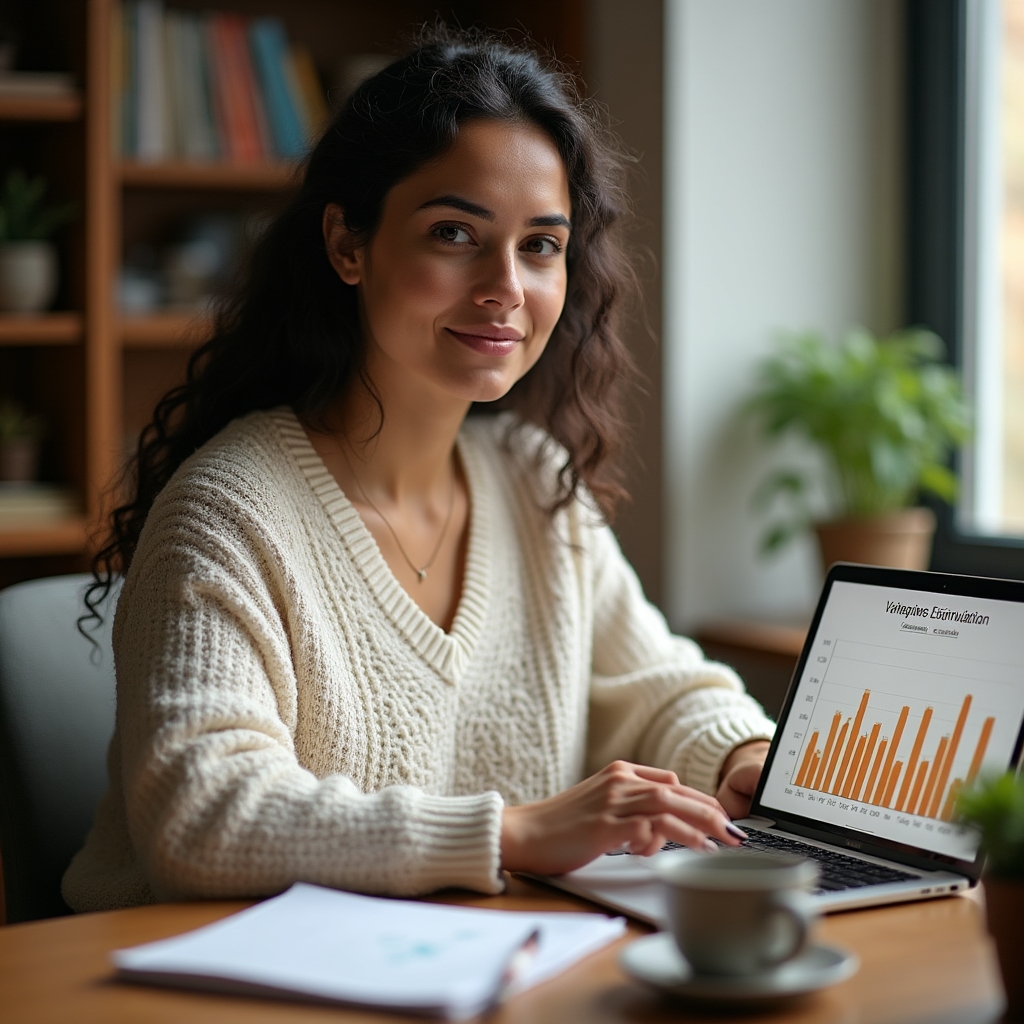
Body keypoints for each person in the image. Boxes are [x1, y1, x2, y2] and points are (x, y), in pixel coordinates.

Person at [63, 26, 775, 912]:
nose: (506, 287)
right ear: (348, 246)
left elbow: (655, 685)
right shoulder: (227, 513)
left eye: (541, 245)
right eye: (454, 233)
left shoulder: (530, 478)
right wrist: (510, 833)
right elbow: (202, 817)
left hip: (464, 970)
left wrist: (741, 757)